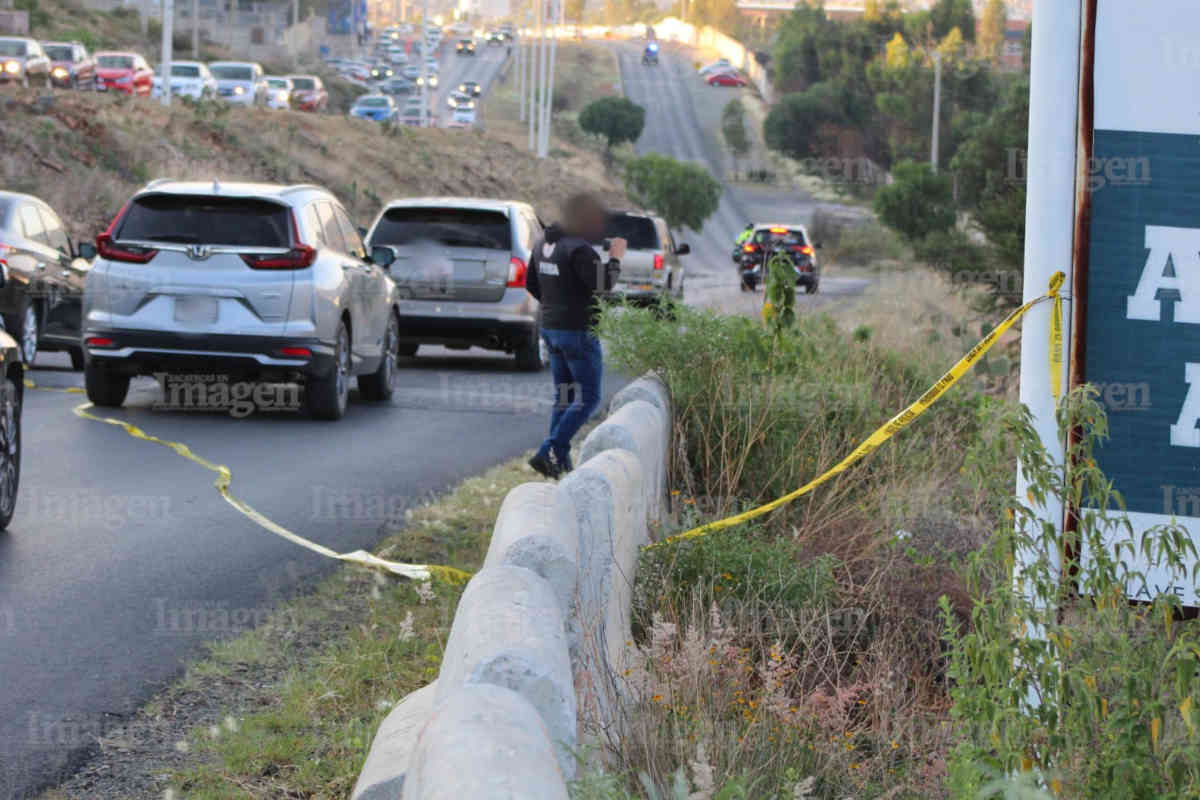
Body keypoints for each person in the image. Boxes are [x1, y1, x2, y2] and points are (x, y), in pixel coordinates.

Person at [524, 194, 627, 479]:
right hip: (578, 332)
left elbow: (530, 283)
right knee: (590, 397)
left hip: (552, 330)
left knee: (566, 396)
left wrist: (555, 306)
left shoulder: (542, 244)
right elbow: (604, 284)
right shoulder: (579, 250)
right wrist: (616, 257)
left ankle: (560, 462)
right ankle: (549, 449)